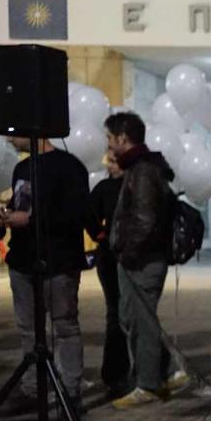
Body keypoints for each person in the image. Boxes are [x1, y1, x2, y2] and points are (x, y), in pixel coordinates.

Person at [0, 137, 89, 409]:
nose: (9, 137)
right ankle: (32, 389)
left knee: (64, 327)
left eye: (14, 131)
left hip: (58, 262)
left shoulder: (69, 166)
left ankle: (70, 393)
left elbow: (75, 215)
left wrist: (30, 219)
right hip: (22, 262)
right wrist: (6, 216)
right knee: (28, 330)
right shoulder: (22, 168)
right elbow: (23, 205)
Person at [105, 112, 188, 409]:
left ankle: (149, 384)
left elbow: (144, 220)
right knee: (132, 318)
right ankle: (167, 372)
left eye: (110, 138)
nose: (108, 145)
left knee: (142, 321)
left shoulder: (142, 171)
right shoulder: (140, 168)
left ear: (123, 138)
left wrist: (127, 254)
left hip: (142, 260)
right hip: (139, 258)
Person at [85, 151, 130, 398]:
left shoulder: (136, 186)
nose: (111, 166)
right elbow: (87, 212)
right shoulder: (104, 188)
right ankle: (115, 375)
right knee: (115, 313)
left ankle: (144, 368)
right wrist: (100, 235)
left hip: (133, 257)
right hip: (110, 260)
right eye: (109, 162)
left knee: (134, 314)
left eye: (115, 161)